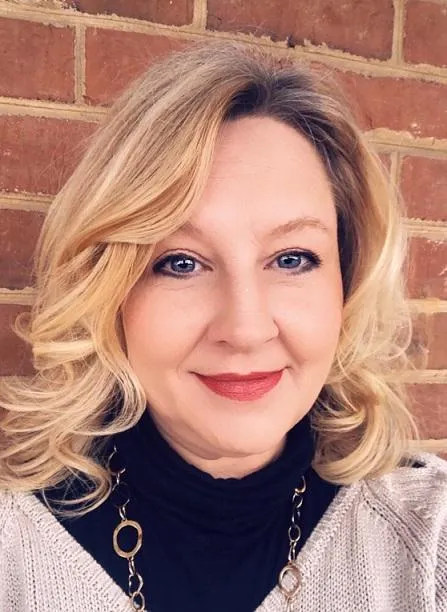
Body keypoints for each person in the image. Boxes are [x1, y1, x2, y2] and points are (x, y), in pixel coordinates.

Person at [0, 41, 446, 612]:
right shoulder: (16, 555)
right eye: (180, 263)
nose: (245, 329)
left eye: (292, 259)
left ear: (347, 282)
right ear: (109, 292)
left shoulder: (426, 536)